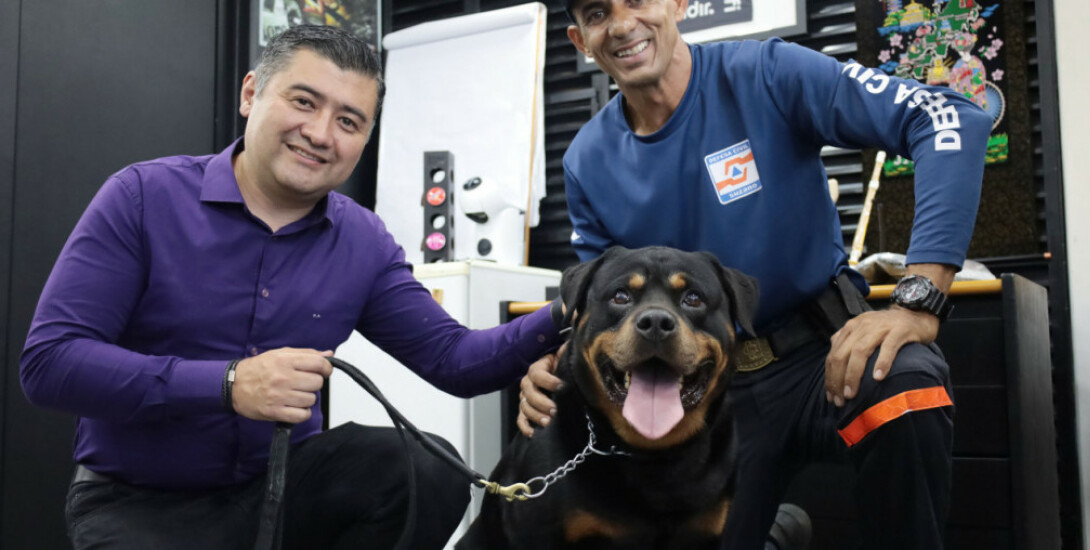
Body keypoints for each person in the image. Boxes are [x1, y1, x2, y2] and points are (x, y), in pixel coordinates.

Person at [21, 25, 564, 549]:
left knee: (423, 471)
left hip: (288, 494)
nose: (322, 134)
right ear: (251, 93)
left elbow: (456, 359)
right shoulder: (142, 198)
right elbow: (50, 364)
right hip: (139, 503)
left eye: (349, 121)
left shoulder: (363, 240)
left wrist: (578, 309)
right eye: (304, 102)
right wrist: (230, 384)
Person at [519, 1, 994, 549]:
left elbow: (947, 115)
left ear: (676, 4)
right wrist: (555, 359)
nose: (623, 25)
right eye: (599, 13)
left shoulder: (767, 73)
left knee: (902, 385)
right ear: (581, 41)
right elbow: (597, 303)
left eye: (638, 1)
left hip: (826, 356)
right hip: (703, 393)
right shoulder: (587, 159)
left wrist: (917, 301)